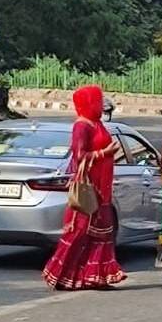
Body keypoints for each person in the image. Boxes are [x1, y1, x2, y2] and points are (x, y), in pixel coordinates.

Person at [43, 85, 127, 290]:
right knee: (79, 232)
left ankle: (96, 277)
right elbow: (79, 156)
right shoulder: (82, 126)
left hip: (102, 188)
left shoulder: (97, 123)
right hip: (88, 188)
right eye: (96, 102)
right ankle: (62, 275)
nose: (100, 106)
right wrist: (105, 153)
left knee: (102, 233)